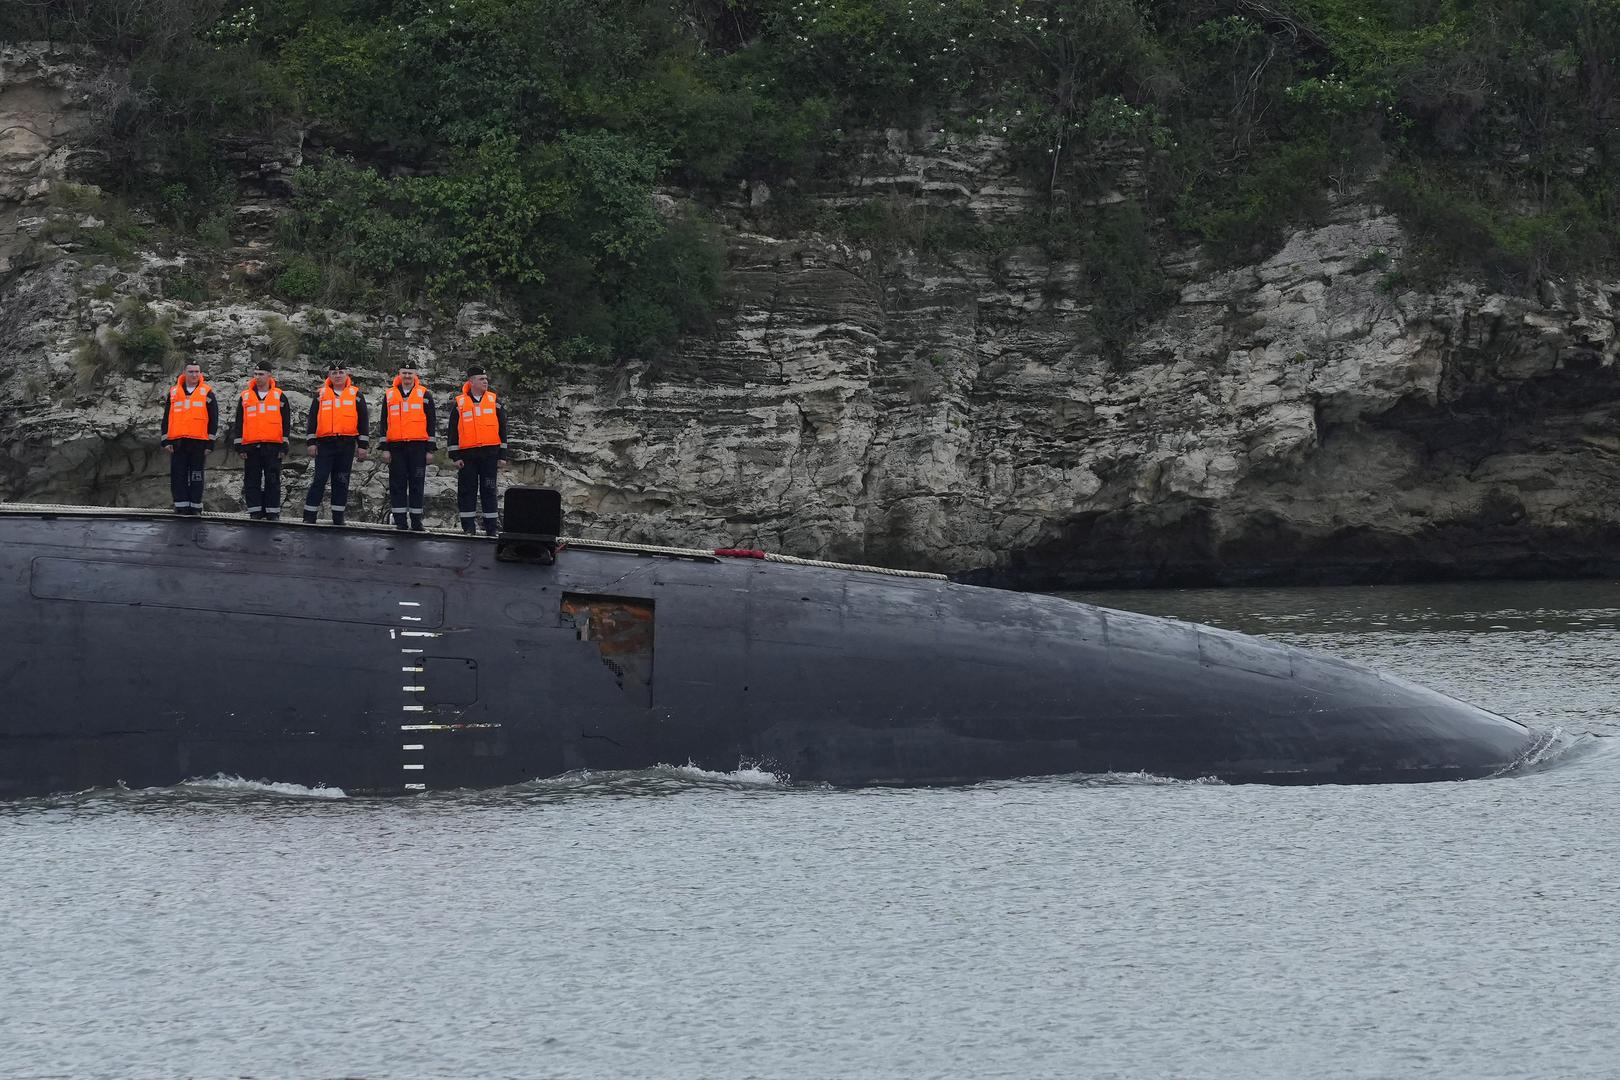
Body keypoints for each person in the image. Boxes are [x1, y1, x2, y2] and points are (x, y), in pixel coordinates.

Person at [303, 365, 370, 525]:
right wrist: (311, 443)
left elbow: (363, 422)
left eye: (341, 372)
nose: (338, 375)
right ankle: (309, 515)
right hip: (325, 444)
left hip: (346, 444)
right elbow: (312, 420)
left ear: (347, 374)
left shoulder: (356, 395)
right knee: (319, 478)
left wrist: (362, 445)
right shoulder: (320, 395)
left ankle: (338, 516)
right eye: (334, 373)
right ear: (329, 375)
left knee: (341, 480)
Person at [446, 365, 508, 536]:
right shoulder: (460, 404)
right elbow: (452, 432)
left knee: (489, 490)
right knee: (467, 491)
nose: (485, 382)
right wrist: (454, 455)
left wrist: (502, 455)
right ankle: (468, 528)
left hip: (489, 455)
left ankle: (491, 529)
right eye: (481, 379)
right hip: (467, 457)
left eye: (486, 379)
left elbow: (503, 430)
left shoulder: (495, 402)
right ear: (471, 382)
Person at [228, 364, 291, 520]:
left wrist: (284, 445)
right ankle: (255, 511)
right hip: (251, 447)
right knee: (252, 480)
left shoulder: (279, 396)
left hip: (273, 446)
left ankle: (272, 512)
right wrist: (239, 446)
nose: (257, 377)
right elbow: (239, 422)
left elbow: (286, 423)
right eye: (255, 373)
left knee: (273, 480)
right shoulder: (245, 396)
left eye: (261, 374)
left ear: (269, 375)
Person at [379, 365, 437, 531]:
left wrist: (430, 449)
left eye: (410, 373)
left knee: (416, 484)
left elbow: (431, 423)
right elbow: (384, 422)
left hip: (418, 447)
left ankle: (416, 521)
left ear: (415, 375)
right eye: (404, 373)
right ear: (399, 374)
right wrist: (385, 448)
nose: (407, 376)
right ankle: (400, 522)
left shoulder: (425, 394)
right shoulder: (389, 395)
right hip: (396, 447)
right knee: (397, 484)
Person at [160, 362, 218, 515]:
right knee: (178, 475)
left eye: (197, 372)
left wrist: (210, 443)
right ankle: (181, 506)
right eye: (191, 372)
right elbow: (167, 418)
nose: (194, 375)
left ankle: (195, 507)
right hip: (178, 442)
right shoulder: (173, 392)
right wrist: (166, 440)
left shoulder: (207, 393)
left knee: (196, 476)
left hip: (198, 443)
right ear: (184, 373)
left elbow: (213, 419)